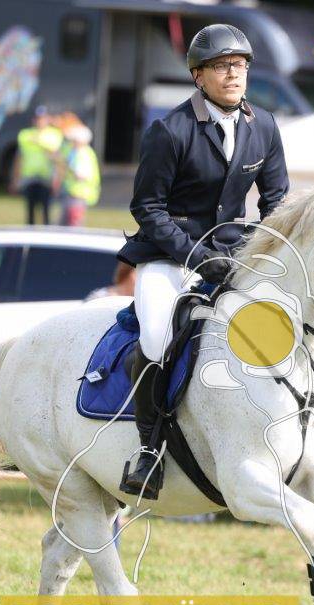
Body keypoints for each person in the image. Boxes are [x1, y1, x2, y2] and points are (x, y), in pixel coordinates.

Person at [115, 23, 289, 500]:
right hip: (168, 256)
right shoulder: (170, 130)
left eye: (240, 65)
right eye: (221, 66)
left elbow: (277, 203)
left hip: (232, 254)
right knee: (156, 337)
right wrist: (197, 256)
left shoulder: (264, 126)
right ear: (198, 76)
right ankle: (149, 449)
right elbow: (147, 208)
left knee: (285, 321)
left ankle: (299, 435)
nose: (233, 74)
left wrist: (260, 251)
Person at [11, 107, 63, 225]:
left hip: (46, 179)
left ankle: (47, 234)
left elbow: (57, 157)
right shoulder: (25, 134)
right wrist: (15, 178)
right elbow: (19, 158)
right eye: (38, 118)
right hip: (29, 178)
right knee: (30, 212)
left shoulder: (54, 134)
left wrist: (58, 180)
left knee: (46, 212)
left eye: (42, 118)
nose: (40, 121)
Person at [57, 123, 100, 226]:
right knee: (64, 225)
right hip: (72, 194)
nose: (71, 142)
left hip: (78, 195)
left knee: (74, 225)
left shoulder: (83, 154)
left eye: (73, 140)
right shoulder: (76, 152)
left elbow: (81, 175)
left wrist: (66, 168)